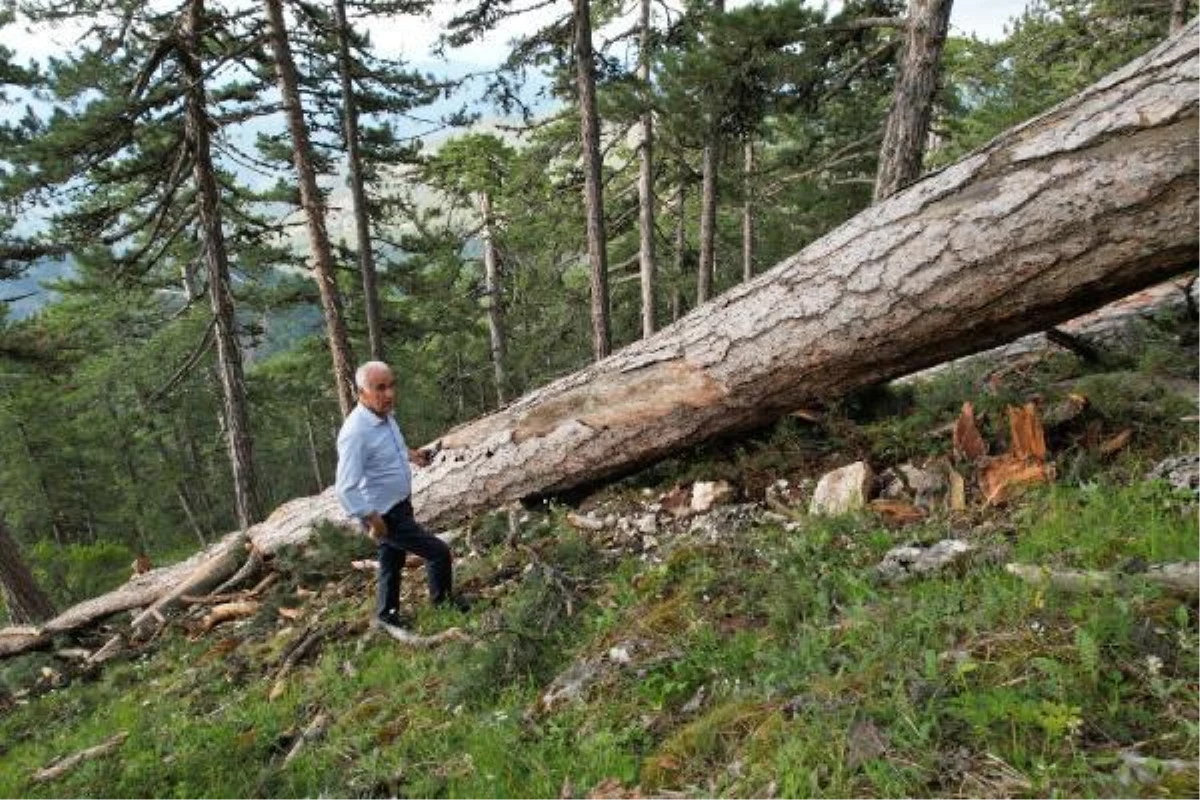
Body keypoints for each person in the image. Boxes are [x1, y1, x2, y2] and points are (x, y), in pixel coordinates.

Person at [335, 360, 460, 631]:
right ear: (361, 393)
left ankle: (385, 617)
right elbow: (345, 488)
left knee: (392, 562)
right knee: (438, 552)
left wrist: (412, 456)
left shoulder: (385, 416)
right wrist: (373, 519)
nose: (389, 394)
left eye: (391, 386)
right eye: (380, 388)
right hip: (384, 514)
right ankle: (444, 606)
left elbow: (391, 449)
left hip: (398, 506)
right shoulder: (356, 433)